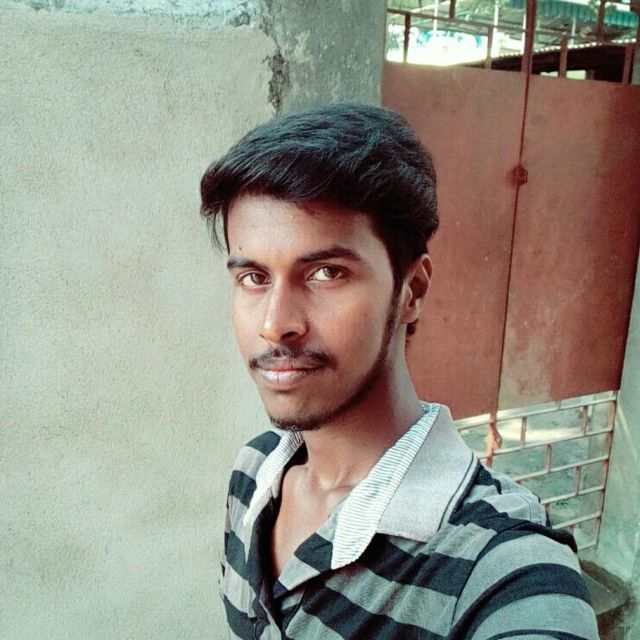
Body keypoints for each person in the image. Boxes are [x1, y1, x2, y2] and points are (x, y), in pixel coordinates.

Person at [200, 103, 599, 640]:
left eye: (325, 272)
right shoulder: (254, 472)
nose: (275, 325)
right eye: (253, 278)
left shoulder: (502, 566)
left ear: (412, 290)